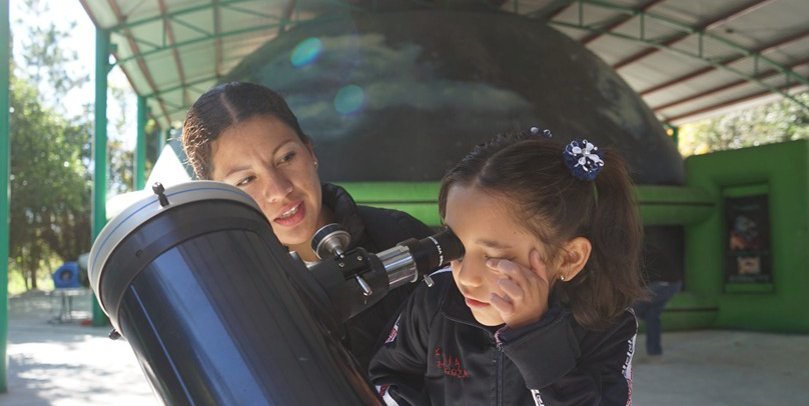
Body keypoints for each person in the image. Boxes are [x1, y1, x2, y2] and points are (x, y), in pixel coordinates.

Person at [369, 130, 647, 405]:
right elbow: (388, 378)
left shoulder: (605, 322)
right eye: (456, 250)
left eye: (495, 258)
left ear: (568, 258)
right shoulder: (435, 297)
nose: (467, 277)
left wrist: (533, 336)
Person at [181, 81, 434, 373]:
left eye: (286, 157)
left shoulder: (400, 235)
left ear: (310, 151)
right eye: (246, 180)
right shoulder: (223, 295)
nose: (279, 190)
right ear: (218, 196)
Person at [634, 226, 683, 361]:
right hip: (673, 284)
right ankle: (655, 354)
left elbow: (641, 277)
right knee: (652, 316)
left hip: (664, 284)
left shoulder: (642, 252)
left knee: (631, 308)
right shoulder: (645, 249)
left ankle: (635, 318)